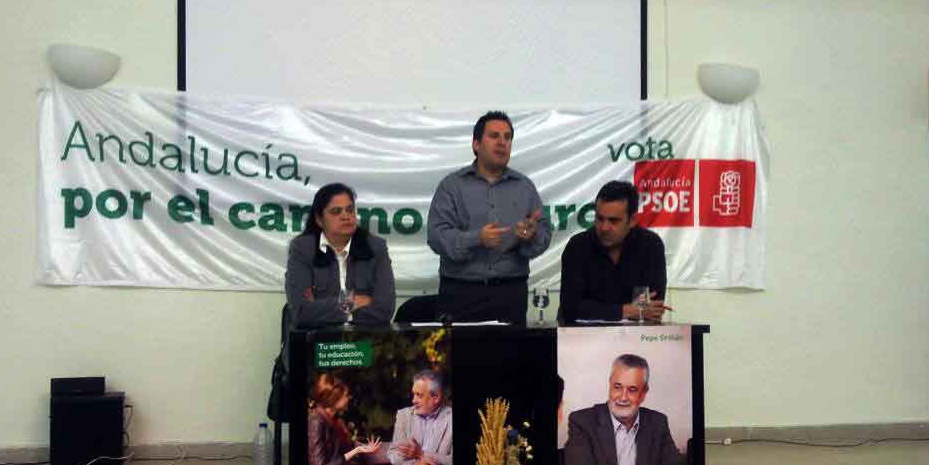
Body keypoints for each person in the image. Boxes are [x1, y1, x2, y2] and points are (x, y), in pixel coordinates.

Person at [427, 111, 552, 325]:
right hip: (461, 294)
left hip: (510, 294)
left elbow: (543, 232)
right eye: (494, 136)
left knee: (510, 359)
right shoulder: (452, 186)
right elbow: (437, 236)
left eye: (507, 137)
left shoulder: (524, 187)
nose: (502, 142)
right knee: (460, 359)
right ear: (476, 144)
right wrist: (477, 238)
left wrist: (531, 235)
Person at [563, 354, 687, 465]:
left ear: (644, 393)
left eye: (632, 390)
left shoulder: (657, 422)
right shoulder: (582, 421)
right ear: (610, 384)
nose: (623, 397)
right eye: (617, 387)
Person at [285, 183, 396, 328]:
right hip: (320, 343)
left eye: (350, 210)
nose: (345, 216)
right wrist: (353, 302)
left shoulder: (375, 248)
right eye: (336, 211)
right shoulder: (302, 250)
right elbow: (301, 312)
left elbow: (385, 310)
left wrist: (324, 308)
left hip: (364, 342)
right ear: (319, 220)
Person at [559, 180, 670, 324]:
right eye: (600, 218)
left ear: (632, 220)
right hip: (583, 338)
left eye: (614, 221)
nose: (604, 228)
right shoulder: (578, 246)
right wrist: (626, 311)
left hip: (636, 340)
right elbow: (570, 308)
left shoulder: (650, 245)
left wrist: (599, 309)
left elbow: (651, 309)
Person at [307, 373, 382, 465]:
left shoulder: (336, 420)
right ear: (334, 399)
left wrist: (363, 447)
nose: (349, 397)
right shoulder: (316, 421)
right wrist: (356, 451)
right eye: (346, 395)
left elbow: (343, 451)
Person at [386, 370, 453, 465]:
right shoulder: (404, 416)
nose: (413, 400)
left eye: (419, 395)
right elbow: (394, 453)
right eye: (413, 394)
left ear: (436, 397)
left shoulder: (451, 418)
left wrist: (421, 454)